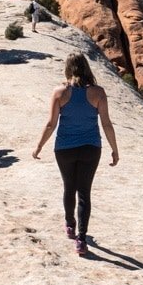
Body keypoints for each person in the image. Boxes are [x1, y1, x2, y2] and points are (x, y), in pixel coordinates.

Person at [33, 52, 119, 255]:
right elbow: (106, 123)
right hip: (91, 147)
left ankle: (70, 224)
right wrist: (115, 149)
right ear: (87, 68)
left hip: (64, 148)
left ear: (68, 69)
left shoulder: (59, 92)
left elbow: (51, 124)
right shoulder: (98, 93)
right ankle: (81, 240)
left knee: (69, 187)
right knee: (84, 192)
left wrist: (39, 146)